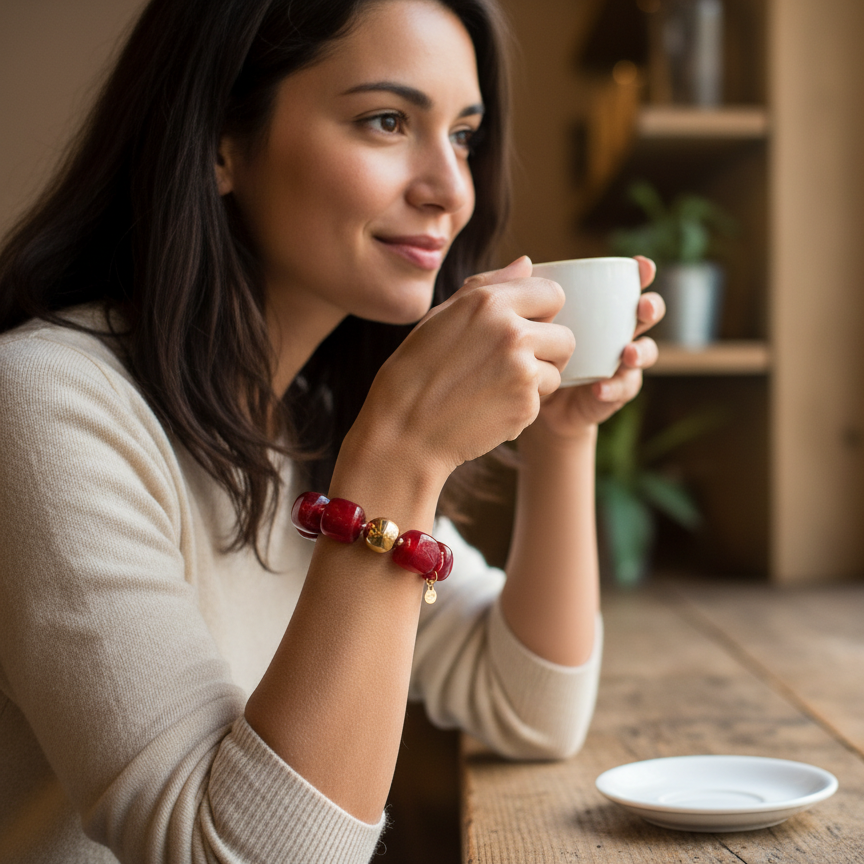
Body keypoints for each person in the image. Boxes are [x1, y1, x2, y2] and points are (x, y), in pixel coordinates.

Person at [0, 0, 663, 861]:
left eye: (464, 135)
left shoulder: (305, 420)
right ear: (221, 143)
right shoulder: (46, 401)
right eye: (387, 121)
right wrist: (401, 460)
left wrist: (563, 440)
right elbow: (227, 851)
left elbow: (525, 704)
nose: (451, 189)